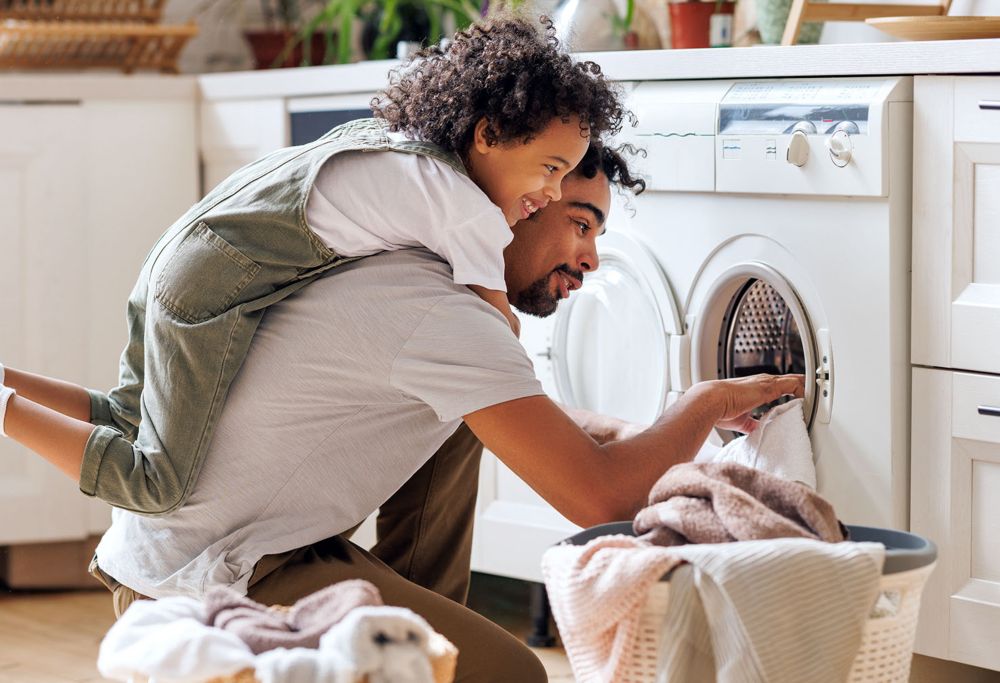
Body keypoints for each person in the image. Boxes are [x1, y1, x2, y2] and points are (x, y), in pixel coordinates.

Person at [66, 142, 800, 682]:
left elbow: (532, 416)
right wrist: (704, 400)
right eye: (580, 223)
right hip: (211, 579)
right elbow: (600, 494)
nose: (592, 258)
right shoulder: (438, 314)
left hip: (233, 548)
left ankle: (418, 657)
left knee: (469, 423)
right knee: (516, 678)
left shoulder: (427, 278)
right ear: (527, 202)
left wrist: (669, 434)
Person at [0, 15, 629, 516]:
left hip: (182, 258)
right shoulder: (465, 209)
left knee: (127, 418)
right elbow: (498, 335)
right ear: (489, 134)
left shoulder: (406, 153)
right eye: (550, 171)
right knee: (156, 483)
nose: (549, 193)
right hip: (215, 286)